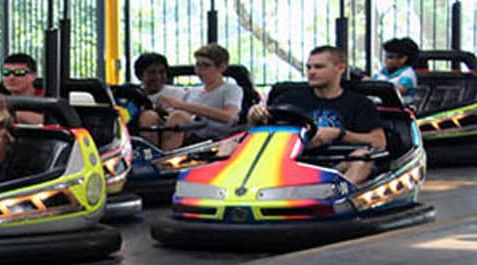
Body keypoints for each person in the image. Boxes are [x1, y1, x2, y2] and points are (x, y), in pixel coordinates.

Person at [248, 45, 387, 185]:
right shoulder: (288, 99)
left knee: (362, 157)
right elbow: (266, 133)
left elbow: (379, 142)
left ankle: (341, 195)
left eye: (319, 67)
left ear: (340, 68)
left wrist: (339, 134)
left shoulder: (359, 103)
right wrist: (256, 118)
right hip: (292, 164)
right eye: (309, 67)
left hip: (338, 166)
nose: (311, 72)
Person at [150, 44, 244, 150]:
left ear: (221, 67)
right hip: (190, 132)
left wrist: (181, 105)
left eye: (206, 66)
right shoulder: (193, 91)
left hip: (215, 138)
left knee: (178, 117)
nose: (200, 70)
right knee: (149, 117)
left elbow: (229, 116)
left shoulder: (231, 89)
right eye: (198, 65)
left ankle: (165, 155)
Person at [0, 53, 45, 125]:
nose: (11, 77)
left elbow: (51, 121)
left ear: (33, 76)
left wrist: (15, 114)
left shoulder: (46, 97)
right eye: (6, 72)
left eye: (19, 72)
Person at [375, 37, 422, 103]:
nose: (385, 60)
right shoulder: (382, 72)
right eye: (385, 57)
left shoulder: (408, 73)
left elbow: (400, 90)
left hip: (400, 107)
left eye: (390, 57)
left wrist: (376, 87)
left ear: (403, 59)